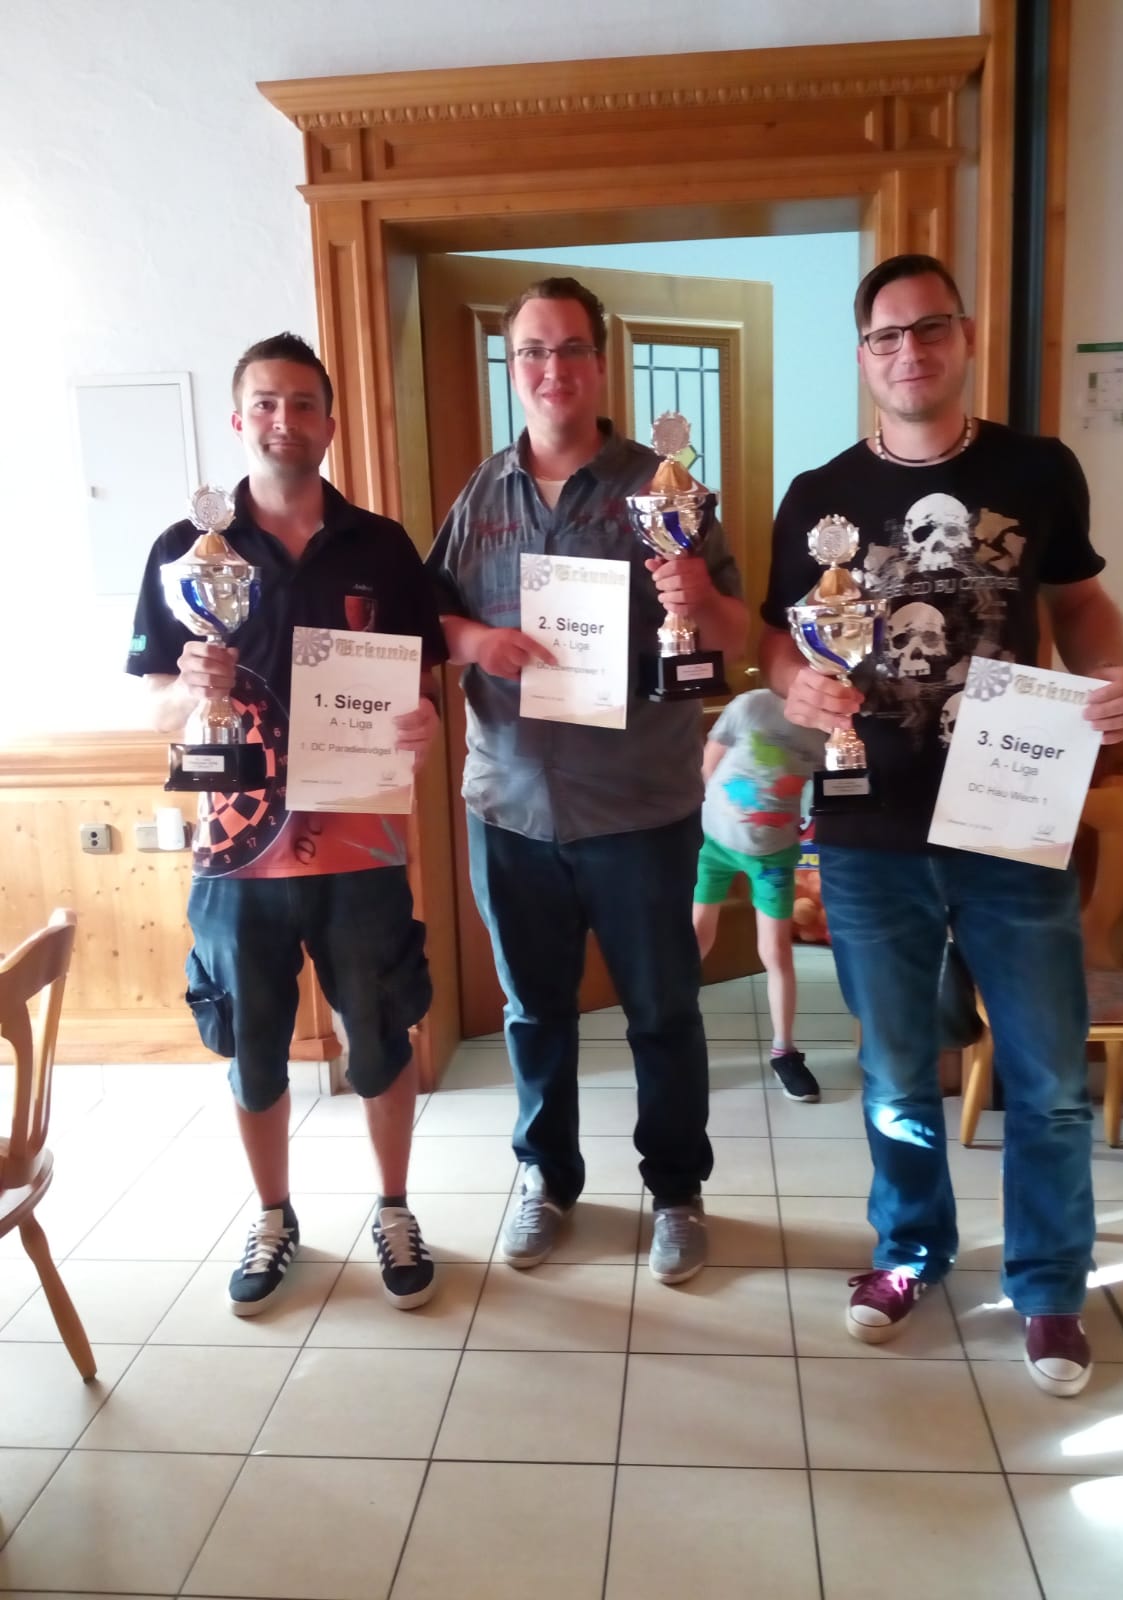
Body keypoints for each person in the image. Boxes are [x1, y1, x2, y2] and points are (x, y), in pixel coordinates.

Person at [759, 254, 1123, 1396]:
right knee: (894, 1072)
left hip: (1012, 819)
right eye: (886, 336)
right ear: (864, 357)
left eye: (929, 328)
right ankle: (910, 1253)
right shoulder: (817, 495)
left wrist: (1112, 674)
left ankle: (1050, 1288)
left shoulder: (1038, 469)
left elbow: (1081, 602)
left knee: (1048, 1079)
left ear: (964, 337)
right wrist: (791, 683)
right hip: (869, 827)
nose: (910, 352)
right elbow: (782, 636)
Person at [426, 276, 747, 1285]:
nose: (551, 369)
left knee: (663, 1011)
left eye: (570, 348)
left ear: (601, 364)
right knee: (535, 1012)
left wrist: (693, 595)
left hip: (640, 808)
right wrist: (476, 640)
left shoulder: (666, 488)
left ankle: (678, 1190)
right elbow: (426, 617)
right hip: (511, 806)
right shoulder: (482, 494)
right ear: (512, 367)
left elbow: (730, 629)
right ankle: (547, 1178)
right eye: (533, 350)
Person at [127, 333, 447, 1316]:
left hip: (360, 843)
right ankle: (273, 1216)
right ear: (239, 419)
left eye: (303, 403)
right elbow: (155, 709)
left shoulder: (383, 544)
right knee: (254, 1047)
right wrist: (190, 689)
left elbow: (424, 686)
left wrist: (424, 723)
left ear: (330, 423)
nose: (284, 420)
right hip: (236, 852)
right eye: (266, 403)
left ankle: (394, 1207)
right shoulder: (184, 552)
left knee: (380, 1036)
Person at [692, 688, 826, 1100]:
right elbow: (708, 765)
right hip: (714, 843)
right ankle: (673, 1036)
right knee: (695, 938)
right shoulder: (752, 705)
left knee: (776, 951)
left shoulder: (828, 729)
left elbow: (826, 788)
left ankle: (785, 1051)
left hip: (773, 855)